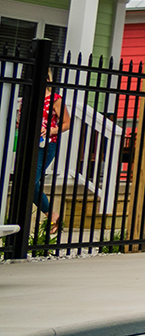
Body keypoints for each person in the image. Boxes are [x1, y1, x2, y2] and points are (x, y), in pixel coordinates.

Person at [36, 88, 70, 231]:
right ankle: (52, 215)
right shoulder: (28, 98)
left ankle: (50, 213)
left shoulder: (55, 99)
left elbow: (67, 123)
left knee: (31, 181)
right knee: (27, 181)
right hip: (27, 143)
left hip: (46, 144)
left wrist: (51, 130)